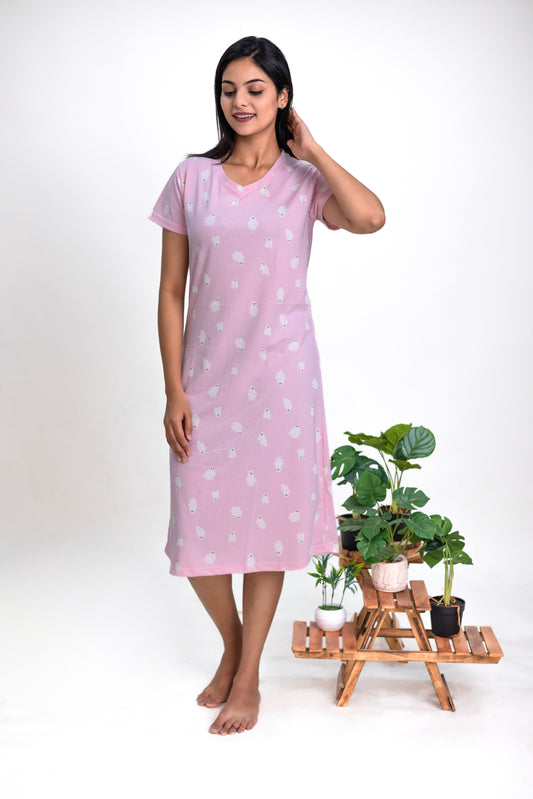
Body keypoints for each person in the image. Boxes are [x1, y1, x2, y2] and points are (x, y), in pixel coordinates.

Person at [149, 35, 385, 736]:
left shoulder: (304, 182)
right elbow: (170, 291)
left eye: (255, 89)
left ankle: (247, 675)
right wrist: (174, 389)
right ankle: (233, 646)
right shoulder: (191, 179)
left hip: (281, 379)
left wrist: (312, 150)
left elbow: (370, 218)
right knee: (197, 529)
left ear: (282, 97)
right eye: (229, 89)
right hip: (205, 381)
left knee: (266, 530)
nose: (240, 101)